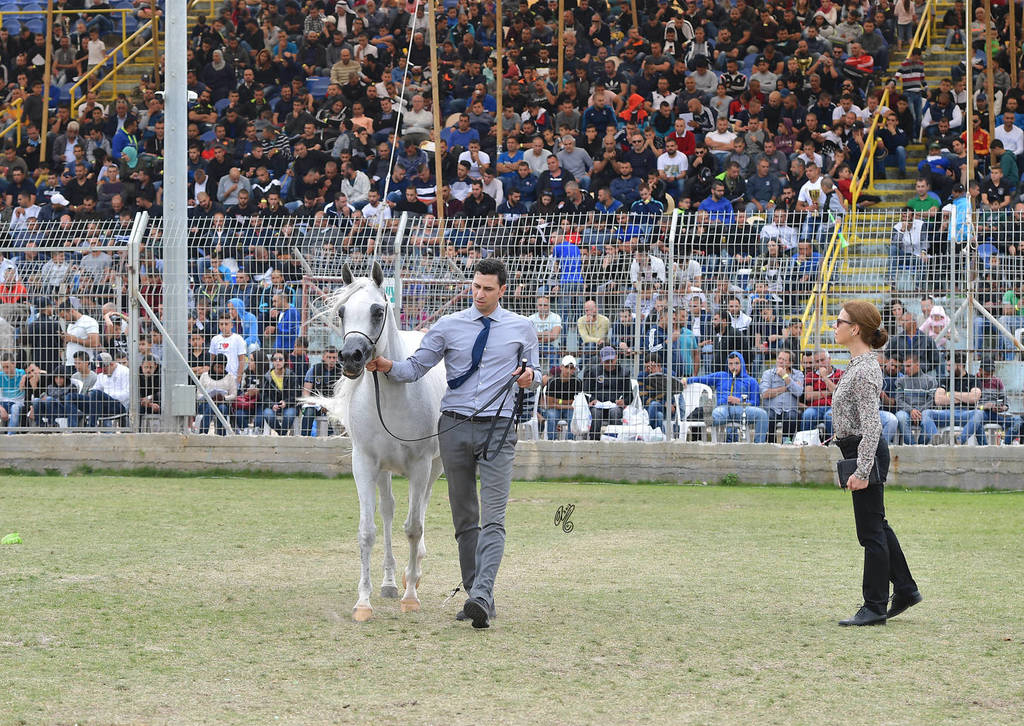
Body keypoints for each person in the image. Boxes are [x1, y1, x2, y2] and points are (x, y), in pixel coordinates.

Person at [365, 258, 540, 630]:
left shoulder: (522, 328)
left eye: (488, 289)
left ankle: (481, 594)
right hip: (453, 428)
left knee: (494, 517)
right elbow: (415, 368)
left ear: (502, 290)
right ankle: (478, 594)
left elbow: (535, 371)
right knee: (464, 517)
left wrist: (529, 377)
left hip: (498, 429)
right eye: (476, 286)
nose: (479, 294)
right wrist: (385, 365)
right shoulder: (448, 326)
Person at [831, 300, 921, 626]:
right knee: (878, 526)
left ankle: (874, 606)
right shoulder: (857, 365)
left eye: (839, 321)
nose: (834, 325)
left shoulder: (866, 369)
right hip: (859, 450)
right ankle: (907, 589)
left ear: (855, 328)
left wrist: (862, 470)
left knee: (870, 534)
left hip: (864, 452)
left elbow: (872, 425)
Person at [681, 351, 770, 443]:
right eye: (730, 364)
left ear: (742, 364)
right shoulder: (721, 376)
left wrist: (739, 401)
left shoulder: (751, 381)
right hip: (723, 408)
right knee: (716, 415)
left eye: (736, 363)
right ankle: (708, 415)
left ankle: (758, 444)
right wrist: (687, 380)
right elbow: (703, 379)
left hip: (742, 410)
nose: (733, 367)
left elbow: (756, 402)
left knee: (762, 414)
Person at [759, 349, 804, 442]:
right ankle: (771, 443)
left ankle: (786, 442)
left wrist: (785, 377)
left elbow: (798, 392)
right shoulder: (768, 374)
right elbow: (765, 393)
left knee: (791, 417)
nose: (780, 361)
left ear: (791, 363)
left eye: (784, 360)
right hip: (772, 408)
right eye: (779, 358)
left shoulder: (798, 374)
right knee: (768, 416)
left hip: (790, 408)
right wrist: (784, 389)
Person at [542, 355, 583, 439]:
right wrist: (568, 403)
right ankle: (552, 441)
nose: (568, 370)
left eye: (571, 368)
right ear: (561, 367)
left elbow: (576, 403)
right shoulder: (552, 382)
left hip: (566, 409)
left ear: (574, 369)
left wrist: (558, 401)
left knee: (573, 417)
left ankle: (570, 441)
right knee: (551, 416)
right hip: (558, 408)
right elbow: (549, 404)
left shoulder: (577, 382)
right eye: (566, 367)